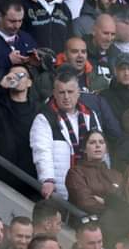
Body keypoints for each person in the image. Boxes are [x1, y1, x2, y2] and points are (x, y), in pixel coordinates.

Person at [32, 70, 102, 199]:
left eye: (70, 92)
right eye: (61, 92)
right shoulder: (44, 118)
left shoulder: (90, 114)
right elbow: (42, 151)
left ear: (78, 92)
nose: (66, 97)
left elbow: (102, 149)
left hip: (91, 185)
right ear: (54, 93)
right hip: (62, 190)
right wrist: (48, 179)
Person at [66, 130, 124, 213]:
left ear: (106, 149)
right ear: (84, 149)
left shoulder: (117, 175)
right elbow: (85, 202)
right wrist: (114, 208)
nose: (98, 145)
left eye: (101, 142)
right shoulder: (75, 173)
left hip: (117, 222)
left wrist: (105, 201)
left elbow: (126, 202)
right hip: (89, 223)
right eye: (92, 142)